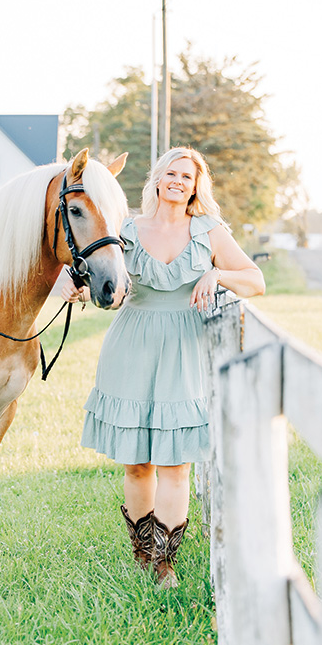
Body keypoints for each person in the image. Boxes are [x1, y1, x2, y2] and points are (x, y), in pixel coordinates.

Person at [57, 147, 266, 587]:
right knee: (137, 464)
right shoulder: (127, 228)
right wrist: (76, 288)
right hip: (130, 347)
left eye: (186, 177)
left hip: (183, 350)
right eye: (171, 173)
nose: (177, 181)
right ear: (156, 180)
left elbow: (255, 280)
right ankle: (142, 554)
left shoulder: (209, 231)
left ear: (195, 186)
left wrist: (217, 275)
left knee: (176, 464)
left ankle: (165, 562)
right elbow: (94, 274)